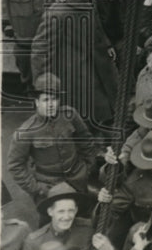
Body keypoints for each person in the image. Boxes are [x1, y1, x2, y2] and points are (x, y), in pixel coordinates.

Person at [30, 0, 119, 128]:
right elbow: (40, 51)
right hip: (75, 74)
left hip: (97, 63)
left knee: (106, 106)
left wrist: (107, 44)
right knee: (85, 115)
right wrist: (43, 85)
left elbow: (97, 24)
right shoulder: (57, 12)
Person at [7, 73, 102, 203]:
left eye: (55, 99)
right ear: (37, 102)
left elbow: (85, 139)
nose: (51, 104)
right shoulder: (25, 132)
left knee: (82, 214)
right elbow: (15, 166)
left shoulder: (69, 115)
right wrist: (37, 189)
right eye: (46, 100)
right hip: (49, 185)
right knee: (53, 219)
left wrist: (88, 167)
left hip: (78, 177)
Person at [20, 183, 97, 250]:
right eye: (61, 211)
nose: (66, 217)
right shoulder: (34, 242)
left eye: (70, 210)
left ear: (76, 210)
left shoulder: (88, 228)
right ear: (50, 212)